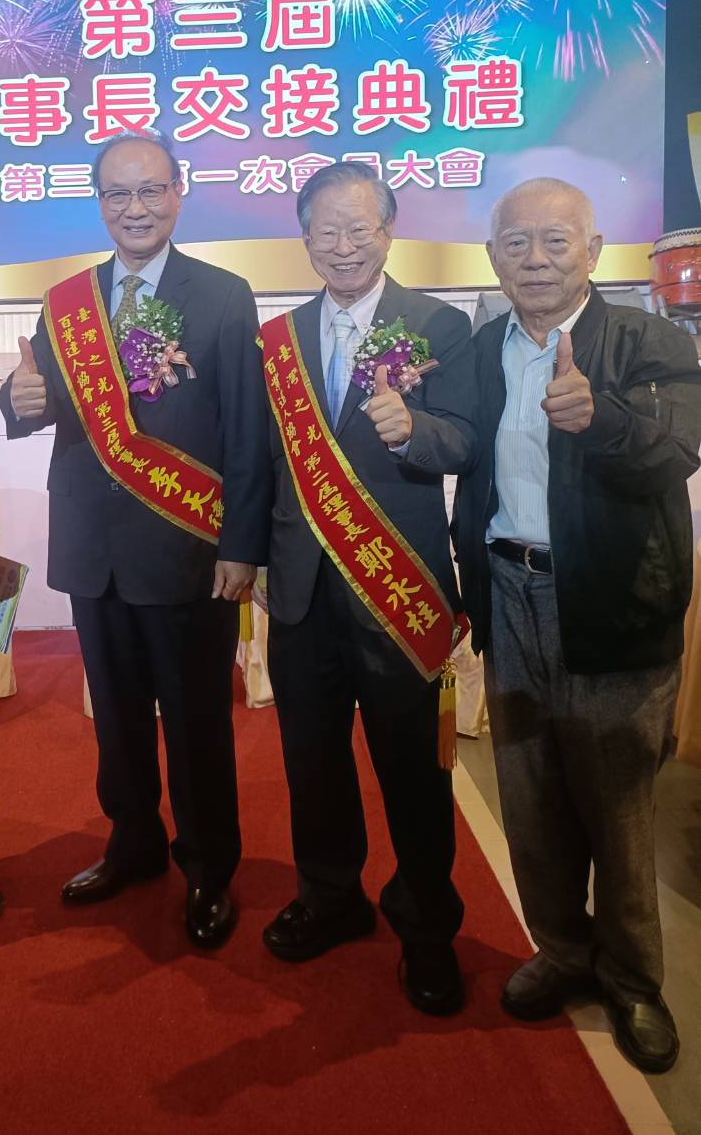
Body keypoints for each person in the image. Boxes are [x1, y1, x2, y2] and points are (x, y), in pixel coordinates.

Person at [453, 177, 701, 1072]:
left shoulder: (647, 338)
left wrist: (603, 419)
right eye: (516, 243)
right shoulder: (481, 350)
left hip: (611, 600)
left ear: (592, 252)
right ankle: (562, 950)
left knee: (618, 807)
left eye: (556, 241)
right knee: (530, 797)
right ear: (494, 257)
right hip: (507, 591)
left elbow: (679, 447)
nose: (535, 259)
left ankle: (632, 980)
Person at [0, 131, 270, 949]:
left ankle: (209, 866)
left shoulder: (223, 295)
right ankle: (133, 842)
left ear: (179, 191)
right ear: (99, 202)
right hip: (94, 547)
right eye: (118, 193)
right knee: (116, 718)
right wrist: (17, 399)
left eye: (151, 189)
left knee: (195, 721)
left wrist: (241, 545)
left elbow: (247, 430)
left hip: (188, 548)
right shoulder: (67, 302)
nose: (136, 207)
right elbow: (38, 399)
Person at [259, 161, 476, 1015]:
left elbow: (465, 439)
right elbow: (260, 464)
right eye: (327, 231)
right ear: (305, 237)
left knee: (413, 770)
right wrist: (253, 557)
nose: (344, 246)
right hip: (301, 590)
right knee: (311, 760)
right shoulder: (277, 339)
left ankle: (427, 927)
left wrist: (414, 429)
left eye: (360, 228)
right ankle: (330, 896)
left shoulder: (438, 324)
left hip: (396, 584)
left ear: (388, 231)